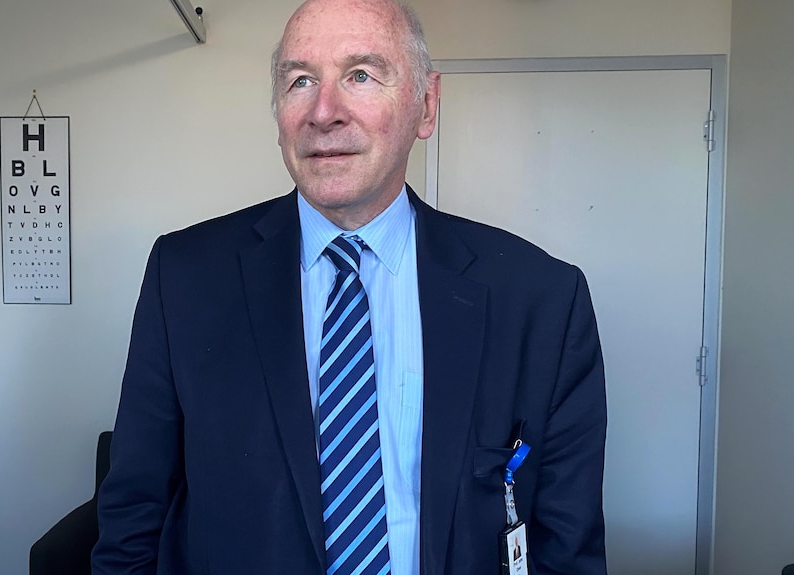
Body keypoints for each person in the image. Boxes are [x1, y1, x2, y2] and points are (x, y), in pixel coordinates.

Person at [92, 0, 607, 573]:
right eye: (300, 80)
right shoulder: (184, 277)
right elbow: (133, 513)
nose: (324, 111)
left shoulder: (541, 300)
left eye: (360, 75)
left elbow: (568, 545)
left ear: (426, 105)